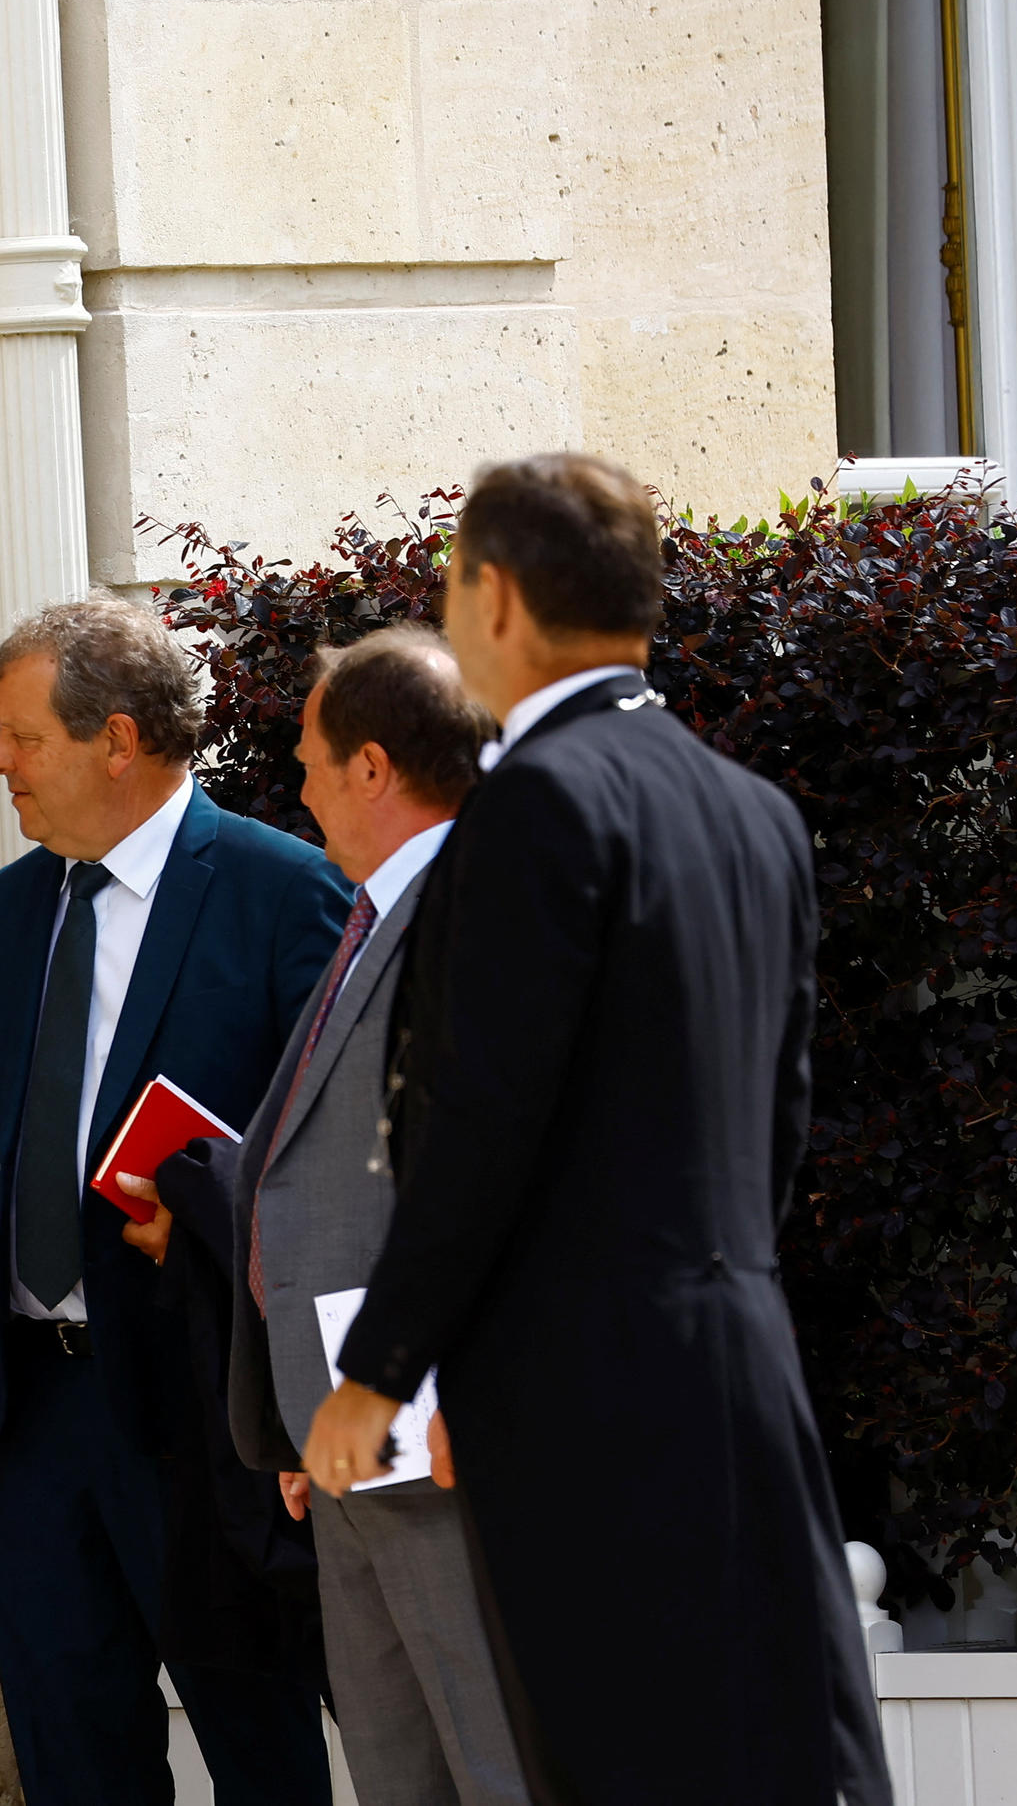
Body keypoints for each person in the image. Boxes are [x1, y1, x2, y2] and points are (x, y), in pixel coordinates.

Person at [302, 455, 892, 1804]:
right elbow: (773, 1128)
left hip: (587, 1399)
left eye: (454, 582)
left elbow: (485, 1115)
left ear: (495, 595)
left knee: (622, 1760)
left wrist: (388, 1369)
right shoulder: (756, 811)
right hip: (737, 1355)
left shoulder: (536, 804)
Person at [0, 598, 350, 1806]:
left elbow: (335, 1158)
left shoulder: (281, 890)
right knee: (72, 1756)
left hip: (206, 1413)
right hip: (40, 1406)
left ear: (117, 739)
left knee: (258, 1750)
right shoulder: (15, 905)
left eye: (23, 737)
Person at [128, 627, 523, 1805]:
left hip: (434, 1436)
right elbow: (328, 1172)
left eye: (307, 760)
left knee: (495, 1762)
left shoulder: (480, 917)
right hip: (347, 1441)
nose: (294, 787)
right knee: (404, 1770)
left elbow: (507, 1180)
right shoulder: (369, 918)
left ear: (371, 767)